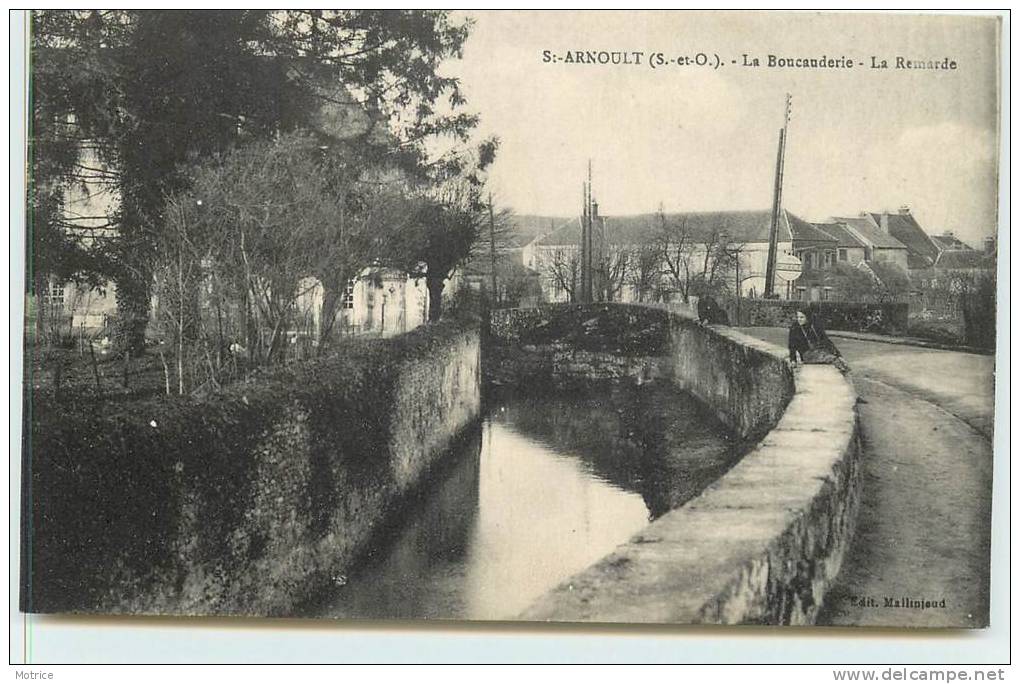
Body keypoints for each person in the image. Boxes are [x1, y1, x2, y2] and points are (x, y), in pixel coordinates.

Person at [788, 309, 850, 373]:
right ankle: (844, 371)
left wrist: (838, 354)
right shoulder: (795, 328)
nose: (799, 319)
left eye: (802, 317)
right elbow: (792, 345)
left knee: (835, 357)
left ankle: (843, 369)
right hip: (807, 354)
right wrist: (793, 360)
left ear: (807, 318)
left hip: (819, 351)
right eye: (798, 317)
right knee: (832, 359)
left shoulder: (814, 326)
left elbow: (826, 341)